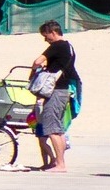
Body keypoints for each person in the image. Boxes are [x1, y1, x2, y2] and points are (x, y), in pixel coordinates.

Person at [31, 20, 80, 173]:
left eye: (46, 36)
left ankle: (60, 164)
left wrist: (34, 71)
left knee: (52, 129)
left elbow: (37, 61)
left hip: (57, 90)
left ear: (53, 32)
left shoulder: (57, 46)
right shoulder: (69, 47)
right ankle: (59, 162)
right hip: (64, 89)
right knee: (57, 128)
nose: (46, 39)